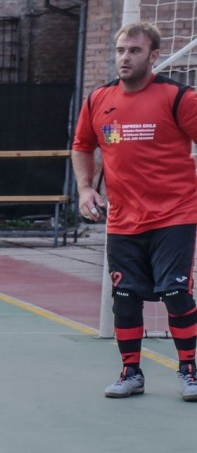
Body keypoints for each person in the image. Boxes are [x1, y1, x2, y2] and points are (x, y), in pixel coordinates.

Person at [73, 22, 197, 400]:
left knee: (175, 293)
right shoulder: (98, 100)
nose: (125, 58)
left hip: (175, 215)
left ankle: (190, 371)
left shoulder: (179, 97)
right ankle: (131, 373)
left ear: (153, 56)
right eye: (121, 50)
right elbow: (82, 145)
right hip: (123, 220)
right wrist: (85, 189)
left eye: (135, 51)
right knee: (125, 297)